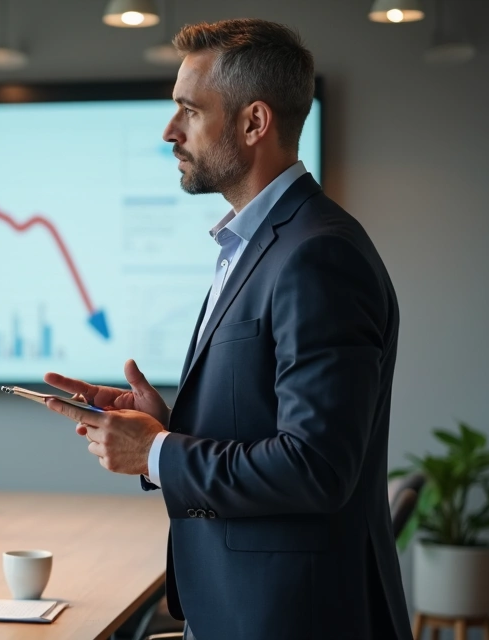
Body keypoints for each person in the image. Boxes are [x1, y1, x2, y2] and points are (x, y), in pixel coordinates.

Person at [42, 19, 410, 640]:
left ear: (253, 123)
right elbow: (266, 421)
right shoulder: (261, 243)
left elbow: (316, 466)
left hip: (292, 619)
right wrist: (166, 423)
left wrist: (156, 453)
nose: (169, 131)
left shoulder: (318, 255)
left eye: (189, 110)